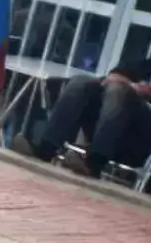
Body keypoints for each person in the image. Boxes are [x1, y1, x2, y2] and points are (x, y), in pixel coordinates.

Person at [15, 58, 151, 177]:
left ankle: (94, 164)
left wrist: (129, 86)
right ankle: (46, 149)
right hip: (108, 124)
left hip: (138, 138)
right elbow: (115, 75)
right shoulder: (145, 65)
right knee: (81, 82)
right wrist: (127, 83)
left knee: (117, 90)